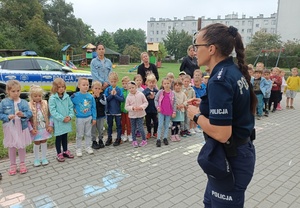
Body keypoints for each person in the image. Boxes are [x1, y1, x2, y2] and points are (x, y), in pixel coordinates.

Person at [187, 23, 257, 207]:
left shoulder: (220, 79)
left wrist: (196, 116)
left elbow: (222, 133)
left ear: (211, 49)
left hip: (232, 158)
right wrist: (205, 105)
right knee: (209, 203)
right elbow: (235, 108)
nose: (194, 51)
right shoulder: (231, 71)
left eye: (197, 46)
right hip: (234, 155)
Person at [0, 80, 32, 175]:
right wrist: (7, 117)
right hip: (10, 127)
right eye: (13, 91)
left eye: (18, 91)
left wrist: (23, 114)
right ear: (8, 91)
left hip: (21, 126)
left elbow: (29, 113)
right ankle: (12, 165)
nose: (16, 93)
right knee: (12, 146)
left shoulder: (23, 102)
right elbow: (0, 113)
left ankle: (22, 163)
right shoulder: (4, 102)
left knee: (21, 145)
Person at [49, 78, 74, 162]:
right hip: (59, 122)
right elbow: (53, 111)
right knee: (59, 137)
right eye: (59, 87)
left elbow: (71, 107)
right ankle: (59, 153)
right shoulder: (52, 98)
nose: (61, 89)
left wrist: (70, 116)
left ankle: (65, 150)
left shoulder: (67, 97)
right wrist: (62, 118)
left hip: (66, 121)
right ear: (55, 88)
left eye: (63, 87)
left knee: (65, 137)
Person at [28, 85, 53, 167]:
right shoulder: (29, 105)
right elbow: (27, 119)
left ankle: (44, 158)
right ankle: (36, 159)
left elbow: (50, 116)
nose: (38, 97)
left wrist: (50, 125)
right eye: (35, 96)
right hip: (35, 129)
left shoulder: (45, 103)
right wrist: (31, 129)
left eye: (39, 96)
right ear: (31, 96)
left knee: (44, 141)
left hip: (44, 127)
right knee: (37, 143)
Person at [71, 77, 96, 156]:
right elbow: (69, 103)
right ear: (79, 86)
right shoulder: (75, 96)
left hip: (89, 117)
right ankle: (78, 148)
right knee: (79, 134)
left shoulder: (90, 96)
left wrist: (94, 118)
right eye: (83, 85)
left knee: (88, 133)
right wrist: (73, 109)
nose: (86, 86)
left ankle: (88, 146)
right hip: (80, 118)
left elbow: (93, 108)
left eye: (87, 85)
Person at [125, 81, 149, 147]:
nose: (131, 89)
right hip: (132, 115)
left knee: (140, 127)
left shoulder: (141, 94)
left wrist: (141, 107)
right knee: (133, 128)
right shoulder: (128, 97)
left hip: (140, 114)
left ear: (136, 87)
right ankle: (134, 140)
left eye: (133, 87)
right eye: (129, 88)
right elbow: (126, 107)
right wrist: (132, 108)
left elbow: (146, 102)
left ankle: (144, 140)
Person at [154, 77, 176, 147]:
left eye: (168, 83)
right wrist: (157, 107)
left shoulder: (172, 93)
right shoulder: (160, 92)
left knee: (167, 125)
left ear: (170, 84)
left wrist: (174, 112)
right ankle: (158, 139)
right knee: (160, 125)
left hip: (169, 111)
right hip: (161, 111)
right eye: (165, 83)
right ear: (162, 84)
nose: (166, 85)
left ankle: (165, 137)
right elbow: (156, 100)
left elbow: (174, 102)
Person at [104, 72, 124, 146]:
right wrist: (111, 95)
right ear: (109, 81)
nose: (113, 83)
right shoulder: (107, 89)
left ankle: (118, 138)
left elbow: (122, 99)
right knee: (110, 125)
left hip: (117, 111)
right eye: (111, 81)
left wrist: (115, 95)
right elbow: (106, 99)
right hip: (109, 111)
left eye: (114, 81)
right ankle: (109, 138)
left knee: (119, 125)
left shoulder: (119, 89)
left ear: (117, 81)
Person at [91, 81, 106, 149]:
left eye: (99, 89)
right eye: (96, 88)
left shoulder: (102, 95)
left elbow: (104, 103)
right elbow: (88, 105)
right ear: (92, 89)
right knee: (93, 130)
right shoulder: (90, 96)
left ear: (101, 89)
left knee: (100, 129)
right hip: (93, 117)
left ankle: (100, 140)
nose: (97, 90)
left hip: (101, 115)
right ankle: (94, 141)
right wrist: (93, 97)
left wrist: (99, 97)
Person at [143, 74, 159, 139]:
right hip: (148, 109)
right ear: (147, 83)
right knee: (148, 122)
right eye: (150, 82)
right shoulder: (145, 91)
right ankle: (149, 132)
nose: (151, 84)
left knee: (156, 122)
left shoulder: (156, 90)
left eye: (153, 82)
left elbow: (159, 97)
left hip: (154, 109)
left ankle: (155, 132)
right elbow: (143, 97)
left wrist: (154, 96)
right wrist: (148, 95)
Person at [120, 76, 131, 142]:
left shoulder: (130, 91)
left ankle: (129, 134)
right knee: (122, 123)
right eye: (123, 83)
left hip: (129, 111)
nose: (125, 85)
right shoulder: (121, 91)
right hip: (122, 109)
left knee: (129, 123)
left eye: (126, 83)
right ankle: (122, 134)